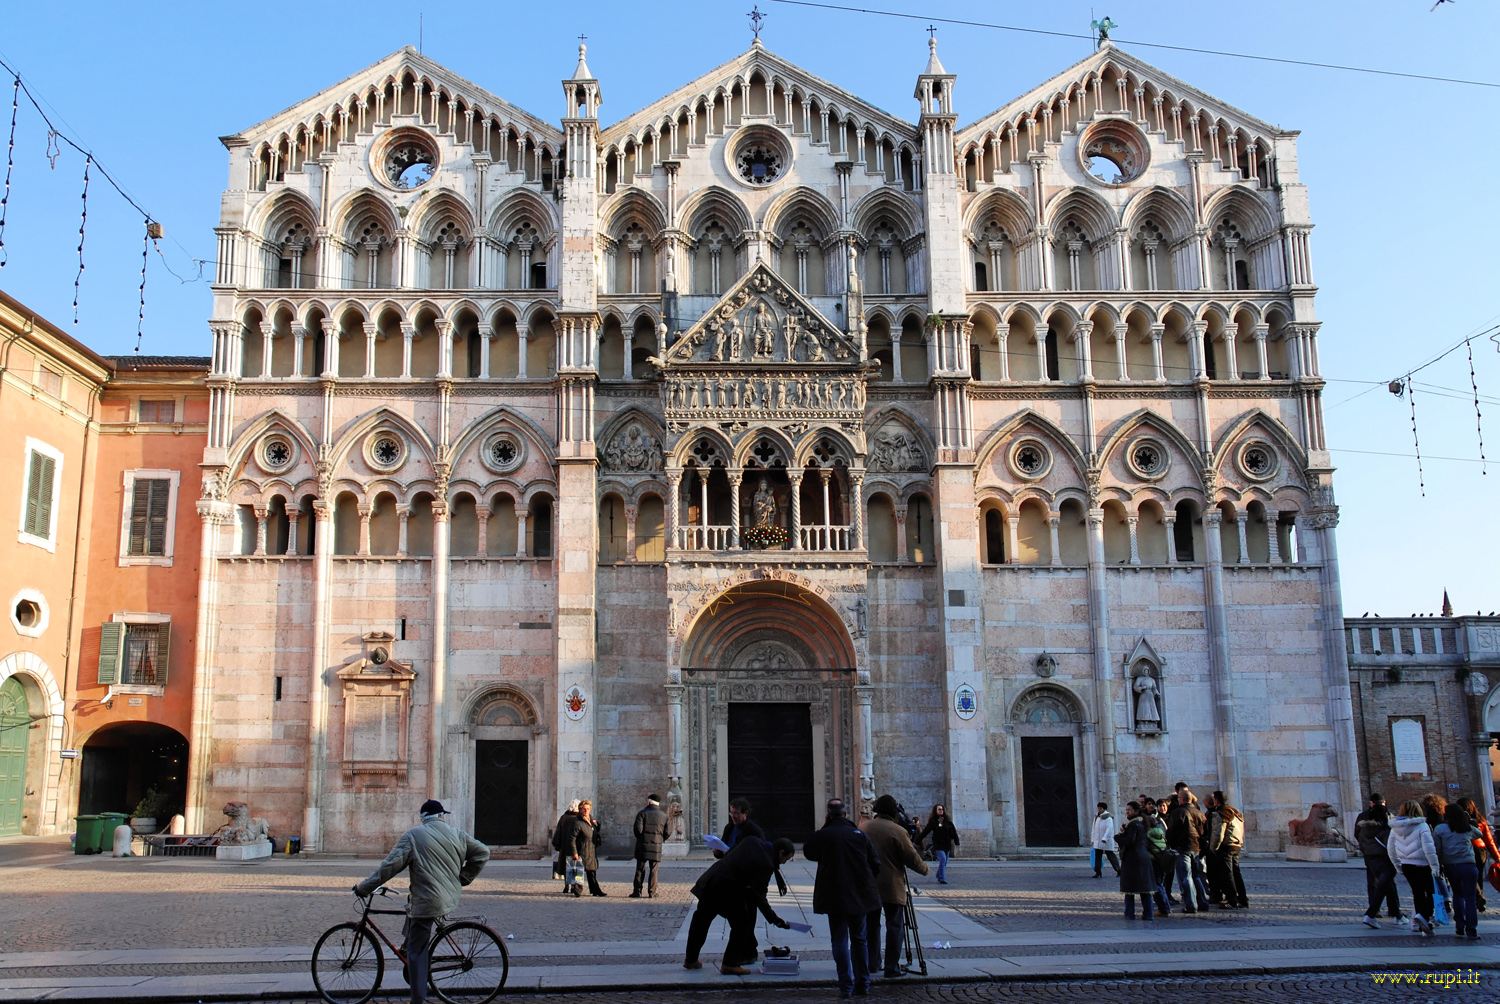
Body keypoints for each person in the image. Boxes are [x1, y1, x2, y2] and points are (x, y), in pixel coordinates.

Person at [354, 800, 489, 1004]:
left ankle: (417, 999)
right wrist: (463, 878)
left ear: (423, 817)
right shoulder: (456, 833)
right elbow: (483, 852)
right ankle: (408, 948)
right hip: (448, 897)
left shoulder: (413, 836)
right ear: (441, 815)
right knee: (412, 906)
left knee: (418, 953)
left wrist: (365, 887)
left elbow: (389, 867)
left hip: (429, 901)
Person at [683, 835, 795, 974]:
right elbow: (760, 897)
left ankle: (690, 960)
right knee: (742, 925)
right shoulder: (766, 864)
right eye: (786, 858)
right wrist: (774, 919)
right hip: (726, 889)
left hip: (712, 880)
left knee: (701, 921)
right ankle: (730, 964)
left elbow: (731, 854)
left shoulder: (752, 840)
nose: (784, 862)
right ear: (780, 852)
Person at [804, 799, 881, 999]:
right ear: (846, 814)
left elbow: (809, 851)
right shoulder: (858, 835)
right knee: (859, 939)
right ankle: (863, 983)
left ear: (829, 815)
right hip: (859, 895)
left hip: (834, 895)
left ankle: (845, 985)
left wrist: (826, 828)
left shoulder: (824, 835)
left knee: (839, 940)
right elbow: (875, 863)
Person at [860, 794, 928, 979]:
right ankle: (892, 966)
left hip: (868, 884)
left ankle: (872, 963)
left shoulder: (864, 827)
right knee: (895, 925)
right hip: (891, 884)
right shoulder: (897, 830)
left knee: (871, 924)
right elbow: (912, 857)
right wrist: (925, 869)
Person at [1388, 799, 1440, 936]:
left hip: (1406, 865)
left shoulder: (1395, 827)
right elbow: (1429, 848)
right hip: (1423, 864)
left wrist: (1398, 865)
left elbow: (1390, 849)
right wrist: (1435, 866)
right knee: (1431, 892)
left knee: (1417, 893)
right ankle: (1424, 916)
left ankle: (1420, 919)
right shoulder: (1422, 826)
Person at [1354, 793, 1404, 928]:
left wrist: (1367, 851)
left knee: (1381, 885)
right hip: (1385, 858)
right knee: (1385, 885)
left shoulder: (1363, 825)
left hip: (1370, 858)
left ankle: (1392, 913)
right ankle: (1377, 913)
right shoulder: (1386, 827)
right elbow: (1392, 844)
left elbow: (1358, 836)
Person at [1434, 803, 1481, 941]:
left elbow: (1437, 848)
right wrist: (1468, 821)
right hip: (1469, 865)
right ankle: (1472, 930)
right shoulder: (1466, 828)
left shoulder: (1440, 829)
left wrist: (1438, 863)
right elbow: (1480, 834)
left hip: (1451, 866)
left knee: (1457, 895)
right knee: (1470, 898)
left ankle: (1459, 927)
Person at [1166, 787, 1210, 912]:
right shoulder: (1199, 812)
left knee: (1186, 877)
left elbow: (1171, 831)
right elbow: (1204, 832)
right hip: (1196, 847)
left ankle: (1191, 905)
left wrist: (1170, 844)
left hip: (1183, 847)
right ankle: (1202, 902)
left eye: (1178, 798)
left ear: (1182, 799)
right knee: (1195, 876)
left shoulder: (1178, 812)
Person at [1456, 796, 1499, 914]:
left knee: (1466, 876)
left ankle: (1476, 898)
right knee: (1477, 875)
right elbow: (1489, 841)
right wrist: (1497, 856)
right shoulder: (1481, 821)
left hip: (1464, 849)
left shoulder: (1455, 822)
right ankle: (1479, 899)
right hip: (1480, 850)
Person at [1208, 790, 1248, 909]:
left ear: (1216, 799)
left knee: (1227, 873)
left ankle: (1232, 900)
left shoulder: (1221, 812)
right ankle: (1243, 898)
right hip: (1236, 844)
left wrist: (1213, 848)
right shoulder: (1236, 812)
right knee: (1236, 872)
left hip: (1226, 845)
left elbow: (1218, 833)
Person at [1115, 801, 1155, 920]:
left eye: (1129, 810)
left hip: (1133, 859)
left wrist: (1117, 837)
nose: (1127, 812)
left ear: (1136, 811)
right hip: (1143, 857)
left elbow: (1129, 841)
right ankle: (1148, 914)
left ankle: (1129, 913)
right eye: (1126, 810)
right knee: (1145, 889)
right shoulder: (1142, 823)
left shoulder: (1133, 825)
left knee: (1129, 889)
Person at [631, 793, 670, 898]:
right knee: (654, 870)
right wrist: (660, 839)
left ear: (648, 802)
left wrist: (642, 839)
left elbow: (637, 830)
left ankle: (637, 892)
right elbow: (668, 832)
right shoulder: (664, 816)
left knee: (640, 868)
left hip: (642, 845)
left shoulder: (642, 813)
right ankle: (652, 892)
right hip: (657, 845)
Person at [1142, 799, 1173, 915]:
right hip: (1161, 858)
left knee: (1156, 884)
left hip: (1153, 860)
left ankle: (1164, 908)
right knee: (1160, 884)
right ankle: (1165, 907)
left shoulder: (1149, 834)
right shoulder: (1160, 830)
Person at [918, 803, 959, 885]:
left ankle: (938, 874)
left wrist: (956, 841)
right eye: (939, 809)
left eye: (942, 809)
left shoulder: (948, 821)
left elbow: (954, 832)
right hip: (938, 845)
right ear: (935, 811)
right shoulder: (933, 821)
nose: (941, 811)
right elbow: (925, 831)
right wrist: (918, 840)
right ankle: (942, 879)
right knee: (943, 860)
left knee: (944, 863)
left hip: (947, 845)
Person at [574, 799, 606, 897]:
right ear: (580, 810)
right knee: (580, 871)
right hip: (582, 849)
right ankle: (577, 889)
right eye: (584, 809)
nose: (586, 811)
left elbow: (595, 832)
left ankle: (595, 890)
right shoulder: (578, 822)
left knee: (592, 871)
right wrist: (574, 852)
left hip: (591, 849)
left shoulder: (591, 820)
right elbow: (572, 838)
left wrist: (597, 825)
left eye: (588, 808)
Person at [551, 799, 579, 889]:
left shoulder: (564, 817)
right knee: (575, 866)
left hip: (564, 846)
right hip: (575, 846)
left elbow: (558, 831)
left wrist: (557, 844)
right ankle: (575, 885)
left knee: (566, 866)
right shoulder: (578, 818)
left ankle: (567, 886)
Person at [1090, 803, 1121, 878]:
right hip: (1097, 840)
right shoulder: (1097, 817)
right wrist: (1093, 838)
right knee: (1097, 857)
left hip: (1106, 841)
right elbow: (1093, 828)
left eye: (1100, 808)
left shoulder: (1108, 818)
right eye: (1098, 808)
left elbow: (1109, 829)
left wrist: (1105, 838)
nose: (1099, 810)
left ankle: (1119, 870)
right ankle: (1098, 872)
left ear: (1104, 809)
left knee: (1110, 856)